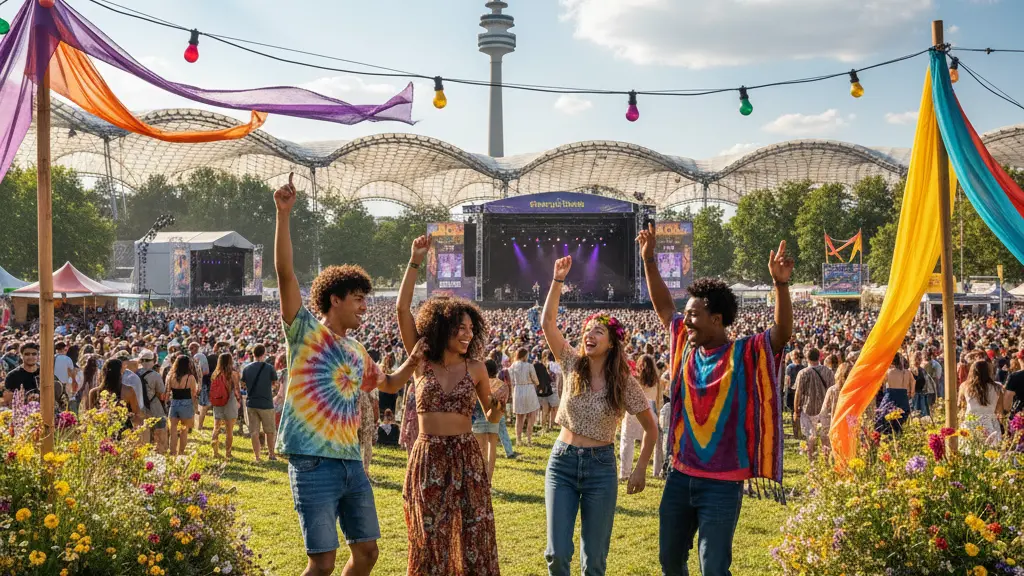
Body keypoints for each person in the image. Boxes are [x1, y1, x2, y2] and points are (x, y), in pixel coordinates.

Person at [275, 175, 422, 576]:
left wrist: (414, 360)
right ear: (334, 300)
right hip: (311, 461)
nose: (364, 308)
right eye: (358, 300)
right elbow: (286, 275)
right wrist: (283, 215)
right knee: (321, 563)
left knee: (368, 553)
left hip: (350, 461)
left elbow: (389, 384)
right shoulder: (305, 331)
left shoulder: (358, 351)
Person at [639, 222, 793, 576]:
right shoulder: (683, 344)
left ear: (717, 319)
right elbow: (664, 308)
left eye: (693, 315)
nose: (686, 321)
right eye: (687, 315)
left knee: (714, 567)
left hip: (723, 484)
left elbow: (781, 334)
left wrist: (781, 285)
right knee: (669, 560)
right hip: (680, 475)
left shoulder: (746, 353)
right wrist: (649, 261)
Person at [396, 233, 507, 575]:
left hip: (465, 456)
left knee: (472, 534)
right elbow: (402, 309)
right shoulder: (420, 361)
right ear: (442, 326)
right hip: (428, 456)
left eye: (472, 329)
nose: (468, 334)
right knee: (430, 536)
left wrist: (501, 402)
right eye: (461, 328)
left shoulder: (476, 368)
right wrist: (415, 260)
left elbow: (490, 414)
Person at [540, 254, 657, 576]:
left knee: (594, 562)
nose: (589, 335)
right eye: (587, 330)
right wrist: (558, 280)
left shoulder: (624, 383)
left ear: (611, 343)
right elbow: (547, 324)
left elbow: (651, 428)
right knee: (557, 554)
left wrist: (640, 469)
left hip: (601, 468)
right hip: (562, 462)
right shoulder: (571, 363)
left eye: (598, 332)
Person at [620, 354, 663, 480]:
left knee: (627, 441)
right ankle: (657, 471)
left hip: (634, 411)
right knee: (656, 443)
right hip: (650, 411)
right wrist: (658, 415)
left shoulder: (633, 379)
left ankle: (625, 473)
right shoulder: (656, 381)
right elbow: (659, 400)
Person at [792, 348, 834, 461]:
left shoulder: (803, 373)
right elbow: (833, 389)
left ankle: (812, 463)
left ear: (807, 358)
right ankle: (826, 462)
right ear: (819, 357)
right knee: (825, 438)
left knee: (811, 437)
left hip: (808, 409)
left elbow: (798, 393)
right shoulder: (828, 371)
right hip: (825, 409)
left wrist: (796, 411)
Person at [242, 343, 279, 462]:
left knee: (254, 432)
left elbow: (243, 384)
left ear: (253, 354)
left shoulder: (247, 368)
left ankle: (257, 457)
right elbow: (275, 383)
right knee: (270, 431)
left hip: (251, 403)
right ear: (264, 354)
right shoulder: (269, 368)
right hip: (266, 402)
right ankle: (271, 454)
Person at [472, 359, 507, 481]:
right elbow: (503, 404)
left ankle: (481, 479)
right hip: (494, 418)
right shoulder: (502, 385)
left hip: (478, 417)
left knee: (480, 449)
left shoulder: (478, 382)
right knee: (492, 448)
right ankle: (489, 479)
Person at [88, 358, 142, 436]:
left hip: (101, 432)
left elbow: (91, 416)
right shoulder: (128, 391)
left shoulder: (94, 392)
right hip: (123, 433)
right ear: (120, 372)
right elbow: (136, 413)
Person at [959, 360, 1006, 445]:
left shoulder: (964, 386)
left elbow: (960, 405)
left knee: (969, 450)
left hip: (970, 421)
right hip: (990, 422)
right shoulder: (997, 388)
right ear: (988, 371)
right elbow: (1000, 410)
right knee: (990, 452)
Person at [210, 353, 242, 459]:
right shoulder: (233, 374)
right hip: (230, 401)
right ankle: (228, 453)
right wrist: (239, 400)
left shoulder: (215, 374)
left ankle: (215, 453)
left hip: (218, 402)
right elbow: (237, 389)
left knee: (216, 428)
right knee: (229, 430)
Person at [137, 349, 168, 454]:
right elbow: (161, 392)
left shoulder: (134, 374)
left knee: (143, 431)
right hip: (154, 405)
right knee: (159, 429)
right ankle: (159, 450)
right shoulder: (156, 375)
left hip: (139, 406)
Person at [166, 354, 198, 456]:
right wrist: (194, 407)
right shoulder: (190, 378)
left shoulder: (171, 376)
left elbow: (167, 392)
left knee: (173, 431)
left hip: (174, 403)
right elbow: (194, 393)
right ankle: (181, 452)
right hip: (186, 403)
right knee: (184, 431)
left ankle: (172, 452)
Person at [510, 347, 540, 446]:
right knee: (531, 415)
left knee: (519, 417)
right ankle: (529, 439)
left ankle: (519, 440)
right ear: (524, 355)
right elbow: (535, 380)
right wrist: (535, 382)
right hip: (529, 389)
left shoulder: (513, 366)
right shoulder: (529, 366)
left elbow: (511, 379)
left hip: (518, 390)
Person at [878, 353, 913, 435]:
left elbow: (880, 383)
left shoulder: (889, 372)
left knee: (883, 422)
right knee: (899, 426)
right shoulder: (907, 373)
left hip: (891, 399)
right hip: (903, 400)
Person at [191, 340, 212, 431]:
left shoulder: (199, 356)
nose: (190, 351)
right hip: (202, 383)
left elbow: (205, 371)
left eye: (191, 348)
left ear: (196, 348)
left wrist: (198, 381)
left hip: (203, 383)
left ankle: (199, 426)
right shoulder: (199, 356)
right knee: (200, 405)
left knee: (204, 405)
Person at [535, 351, 558, 434]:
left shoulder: (544, 365)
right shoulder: (557, 365)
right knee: (552, 409)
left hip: (544, 389)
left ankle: (543, 425)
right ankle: (550, 425)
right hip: (554, 388)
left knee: (545, 409)